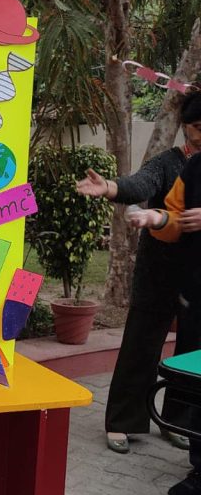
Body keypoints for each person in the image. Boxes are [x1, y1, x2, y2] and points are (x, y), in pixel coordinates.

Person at [75, 91, 201, 453]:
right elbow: (141, 184)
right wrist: (111, 187)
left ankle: (178, 421)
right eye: (196, 126)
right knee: (141, 347)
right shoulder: (170, 163)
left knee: (191, 354)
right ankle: (123, 422)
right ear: (184, 127)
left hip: (196, 280)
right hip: (158, 271)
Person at [127, 133, 201, 495]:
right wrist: (155, 218)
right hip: (189, 289)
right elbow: (173, 216)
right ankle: (199, 467)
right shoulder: (191, 166)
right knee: (194, 378)